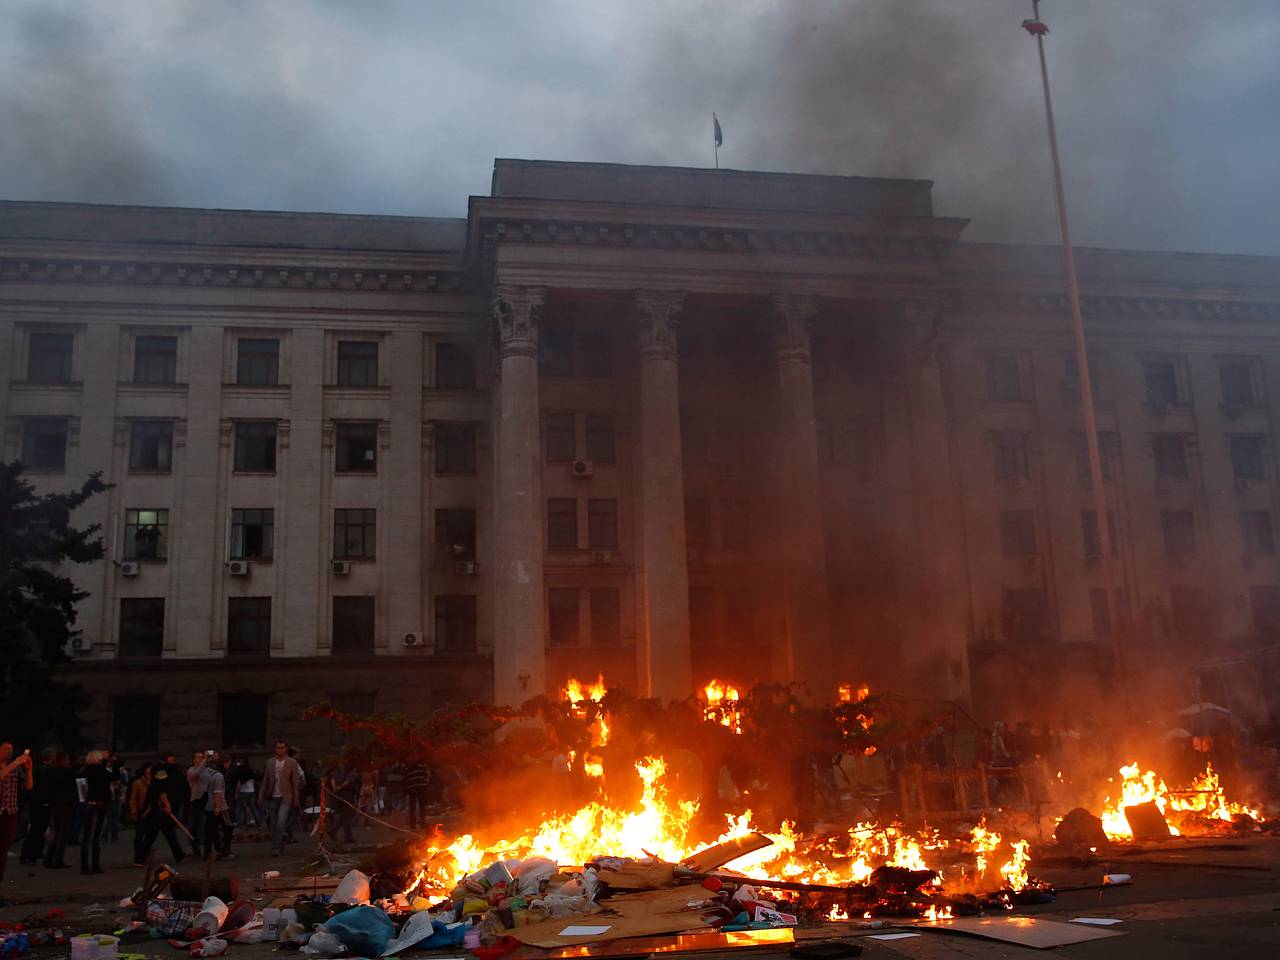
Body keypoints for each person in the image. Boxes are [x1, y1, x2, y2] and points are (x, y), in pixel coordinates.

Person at [134, 762, 187, 866]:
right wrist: (168, 806)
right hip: (158, 812)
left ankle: (140, 858)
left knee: (157, 835)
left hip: (156, 811)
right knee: (159, 835)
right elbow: (162, 794)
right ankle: (140, 858)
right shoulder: (159, 780)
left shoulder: (154, 781)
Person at [257, 739, 301, 856]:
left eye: (282, 747)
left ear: (285, 749)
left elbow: (294, 782)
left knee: (281, 821)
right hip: (272, 796)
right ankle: (280, 843)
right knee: (274, 823)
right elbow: (266, 780)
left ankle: (275, 848)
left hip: (286, 796)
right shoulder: (270, 762)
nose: (280, 750)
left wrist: (296, 798)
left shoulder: (292, 762)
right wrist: (261, 795)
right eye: (278, 748)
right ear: (275, 749)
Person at [0, 744, 34, 884]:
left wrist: (28, 769)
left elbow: (28, 786)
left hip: (11, 812)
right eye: (6, 749)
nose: (10, 752)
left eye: (11, 749)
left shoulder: (15, 768)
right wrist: (16, 763)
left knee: (2, 852)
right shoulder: (12, 766)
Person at [19, 751, 55, 865]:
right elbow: (44, 788)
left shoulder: (38, 769)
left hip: (37, 802)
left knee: (37, 829)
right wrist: (45, 800)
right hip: (41, 803)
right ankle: (30, 855)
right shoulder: (44, 771)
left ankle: (32, 854)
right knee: (37, 829)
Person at [79, 750, 111, 874]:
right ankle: (95, 864)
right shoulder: (102, 771)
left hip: (89, 802)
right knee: (96, 835)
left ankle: (85, 865)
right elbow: (109, 780)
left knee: (87, 835)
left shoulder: (84, 771)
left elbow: (82, 787)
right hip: (101, 802)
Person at [42, 752, 75, 869]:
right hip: (64, 804)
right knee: (62, 832)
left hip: (53, 804)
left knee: (56, 831)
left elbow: (45, 787)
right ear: (64, 760)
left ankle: (49, 857)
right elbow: (73, 788)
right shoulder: (68, 772)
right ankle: (57, 858)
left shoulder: (49, 772)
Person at [202, 753, 232, 861]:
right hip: (220, 806)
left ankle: (208, 852)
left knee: (210, 830)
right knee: (228, 827)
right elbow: (217, 793)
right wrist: (218, 806)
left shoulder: (206, 773)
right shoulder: (218, 776)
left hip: (208, 805)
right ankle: (224, 851)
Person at [326, 761, 359, 844]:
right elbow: (348, 781)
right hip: (347, 795)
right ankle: (348, 836)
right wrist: (339, 787)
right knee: (347, 816)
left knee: (341, 815)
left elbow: (332, 780)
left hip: (338, 795)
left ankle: (333, 830)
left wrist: (335, 788)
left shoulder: (336, 773)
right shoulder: (350, 772)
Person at [129, 764, 153, 860]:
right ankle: (138, 856)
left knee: (150, 836)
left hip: (152, 811)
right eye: (147, 773)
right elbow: (133, 799)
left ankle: (144, 854)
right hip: (141, 811)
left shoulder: (155, 783)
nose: (149, 774)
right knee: (139, 835)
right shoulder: (138, 783)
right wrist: (133, 811)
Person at [186, 751, 208, 852]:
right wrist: (205, 760)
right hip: (196, 800)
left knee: (205, 822)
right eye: (199, 757)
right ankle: (195, 847)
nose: (201, 759)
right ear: (194, 760)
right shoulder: (191, 770)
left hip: (206, 798)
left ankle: (205, 845)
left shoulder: (205, 770)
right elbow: (195, 775)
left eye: (202, 757)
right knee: (195, 824)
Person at [404, 760, 430, 829]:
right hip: (418, 788)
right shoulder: (420, 766)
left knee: (414, 807)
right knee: (419, 807)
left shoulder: (408, 768)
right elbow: (426, 775)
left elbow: (405, 779)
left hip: (414, 789)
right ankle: (419, 824)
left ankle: (415, 824)